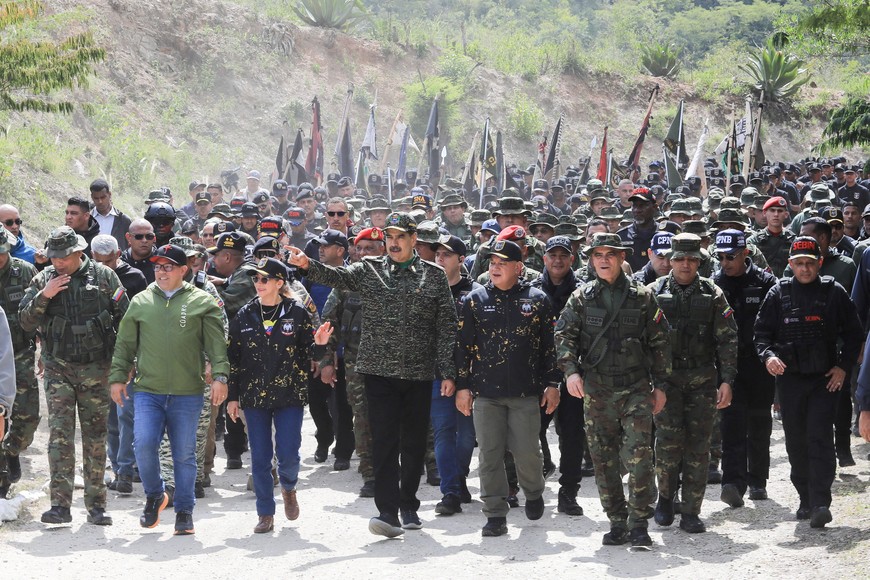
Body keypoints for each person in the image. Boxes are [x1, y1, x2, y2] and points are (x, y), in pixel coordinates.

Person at [286, 212, 457, 538]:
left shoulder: (433, 276)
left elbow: (446, 325)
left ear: (413, 240)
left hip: (419, 373)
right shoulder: (370, 270)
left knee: (414, 442)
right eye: (388, 237)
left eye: (400, 237)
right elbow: (337, 277)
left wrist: (447, 371)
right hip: (377, 372)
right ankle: (387, 511)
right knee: (384, 441)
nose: (393, 243)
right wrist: (307, 264)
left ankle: (409, 503)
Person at [554, 232, 671, 548]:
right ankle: (617, 522)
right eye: (597, 255)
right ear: (591, 260)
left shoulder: (643, 297)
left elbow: (660, 343)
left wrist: (660, 386)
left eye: (610, 254)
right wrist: (571, 373)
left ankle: (639, 524)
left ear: (622, 258)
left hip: (635, 389)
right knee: (603, 462)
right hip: (598, 391)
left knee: (640, 459)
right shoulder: (581, 298)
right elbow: (563, 338)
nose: (603, 260)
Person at [109, 244, 229, 536]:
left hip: (188, 393)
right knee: (144, 444)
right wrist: (117, 377)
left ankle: (185, 511)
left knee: (184, 454)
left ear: (183, 270)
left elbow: (216, 345)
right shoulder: (140, 301)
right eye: (157, 266)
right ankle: (154, 495)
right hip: (149, 390)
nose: (161, 272)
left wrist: (221, 376)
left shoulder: (202, 301)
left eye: (168, 267)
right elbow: (125, 344)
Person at [19, 226, 129, 526]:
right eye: (54, 257)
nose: (57, 262)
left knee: (95, 437)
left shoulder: (105, 277)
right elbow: (25, 321)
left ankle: (96, 506)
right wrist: (45, 295)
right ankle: (60, 506)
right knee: (60, 436)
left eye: (63, 258)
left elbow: (127, 320)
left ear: (78, 253)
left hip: (97, 368)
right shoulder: (44, 279)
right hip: (58, 368)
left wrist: (124, 365)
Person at [754, 236, 862, 528]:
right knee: (797, 441)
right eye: (799, 264)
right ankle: (804, 496)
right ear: (790, 265)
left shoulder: (834, 292)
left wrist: (842, 367)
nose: (805, 269)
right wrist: (769, 357)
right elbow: (761, 335)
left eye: (810, 263)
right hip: (790, 381)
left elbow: (854, 334)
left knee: (819, 437)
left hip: (824, 380)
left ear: (820, 263)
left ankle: (820, 501)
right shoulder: (778, 293)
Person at [455, 239, 560, 537]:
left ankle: (534, 491)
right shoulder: (474, 300)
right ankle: (495, 514)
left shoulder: (537, 299)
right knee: (489, 454)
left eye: (502, 263)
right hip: (487, 393)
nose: (495, 267)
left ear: (518, 267)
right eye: (492, 262)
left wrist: (553, 383)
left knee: (527, 453)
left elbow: (550, 348)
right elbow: (463, 347)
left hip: (526, 393)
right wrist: (463, 386)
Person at [227, 257, 332, 533]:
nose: (258, 284)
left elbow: (309, 352)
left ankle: (288, 487)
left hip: (289, 394)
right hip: (253, 396)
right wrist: (233, 397)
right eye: (256, 279)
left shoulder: (296, 312)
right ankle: (265, 513)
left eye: (264, 279)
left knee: (288, 454)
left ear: (278, 283)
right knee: (260, 457)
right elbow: (234, 359)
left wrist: (320, 346)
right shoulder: (245, 314)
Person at [648, 233, 738, 534]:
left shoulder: (713, 293)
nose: (686, 264)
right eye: (680, 259)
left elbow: (727, 339)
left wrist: (727, 380)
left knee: (699, 448)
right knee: (667, 444)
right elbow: (641, 340)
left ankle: (691, 511)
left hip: (702, 381)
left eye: (692, 259)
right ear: (670, 260)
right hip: (666, 382)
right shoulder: (652, 293)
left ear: (699, 261)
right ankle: (664, 497)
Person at [712, 229, 777, 507]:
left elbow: (777, 324)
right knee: (732, 424)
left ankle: (757, 481)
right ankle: (732, 483)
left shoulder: (765, 283)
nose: (725, 262)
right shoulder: (714, 284)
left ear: (746, 254)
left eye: (731, 257)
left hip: (759, 364)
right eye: (721, 257)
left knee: (759, 423)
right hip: (728, 367)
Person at [320, 227, 385, 497]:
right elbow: (329, 323)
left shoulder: (397, 279)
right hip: (356, 364)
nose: (365, 253)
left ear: (383, 249)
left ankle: (404, 466)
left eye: (371, 248)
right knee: (363, 417)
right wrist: (326, 361)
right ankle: (370, 473)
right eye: (361, 249)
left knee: (396, 416)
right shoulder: (345, 282)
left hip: (393, 363)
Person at [530, 235, 586, 516]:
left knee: (573, 435)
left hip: (573, 374)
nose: (558, 260)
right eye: (552, 255)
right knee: (531, 431)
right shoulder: (531, 291)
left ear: (571, 259)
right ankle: (537, 476)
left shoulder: (584, 292)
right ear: (544, 258)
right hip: (539, 376)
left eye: (563, 255)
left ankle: (568, 492)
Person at [91, 234, 147, 494]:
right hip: (98, 357)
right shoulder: (87, 278)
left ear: (118, 255)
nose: (104, 266)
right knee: (110, 419)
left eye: (108, 261)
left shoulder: (134, 278)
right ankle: (118, 467)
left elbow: (139, 321)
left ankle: (127, 469)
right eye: (98, 261)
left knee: (127, 414)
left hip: (127, 356)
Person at [430, 234, 480, 515]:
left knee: (467, 435)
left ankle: (459, 477)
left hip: (469, 375)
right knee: (443, 432)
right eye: (437, 253)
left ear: (461, 259)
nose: (440, 258)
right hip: (436, 374)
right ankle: (450, 491)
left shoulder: (476, 293)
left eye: (447, 254)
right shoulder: (426, 289)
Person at [0, 226, 36, 497]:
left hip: (21, 354)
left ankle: (12, 450)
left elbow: (41, 312)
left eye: (2, 252)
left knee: (27, 416)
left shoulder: (25, 271)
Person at [747, 196, 795, 278]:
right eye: (772, 210)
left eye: (780, 211)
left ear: (786, 214)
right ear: (765, 213)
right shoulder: (754, 241)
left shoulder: (793, 240)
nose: (776, 214)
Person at [617, 187, 659, 272]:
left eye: (642, 206)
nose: (637, 210)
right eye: (634, 205)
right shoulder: (622, 236)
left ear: (654, 207)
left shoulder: (665, 233)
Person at [89, 179, 132, 251]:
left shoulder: (123, 220)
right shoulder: (87, 219)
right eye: (96, 198)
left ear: (109, 195)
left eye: (103, 197)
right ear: (92, 197)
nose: (100, 201)